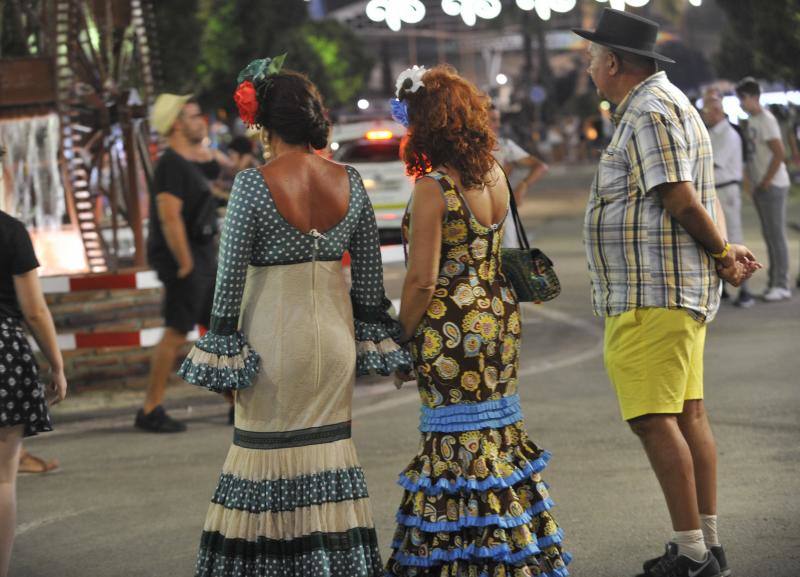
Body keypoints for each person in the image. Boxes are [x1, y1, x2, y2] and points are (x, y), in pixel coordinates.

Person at [178, 56, 411, 577]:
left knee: (262, 460)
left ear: (261, 123)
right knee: (329, 458)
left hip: (271, 341)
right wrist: (387, 344)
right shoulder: (349, 180)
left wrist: (221, 347)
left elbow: (229, 280)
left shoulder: (252, 185)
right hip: (335, 342)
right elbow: (371, 288)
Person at [575, 9, 761, 577]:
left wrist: (723, 252)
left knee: (655, 420)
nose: (588, 68)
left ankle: (695, 553)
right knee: (686, 414)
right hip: (662, 288)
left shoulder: (649, 112)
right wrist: (721, 251)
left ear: (612, 62)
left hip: (652, 291)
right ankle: (703, 544)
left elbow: (679, 197)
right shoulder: (661, 104)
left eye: (590, 59)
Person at [386, 65, 570, 577]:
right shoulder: (496, 173)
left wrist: (402, 337)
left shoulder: (434, 188)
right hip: (498, 314)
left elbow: (422, 280)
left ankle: (462, 561)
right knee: (498, 433)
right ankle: (515, 552)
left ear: (427, 125)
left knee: (453, 442)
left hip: (452, 325)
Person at [136, 94, 220, 433]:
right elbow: (168, 217)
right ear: (176, 124)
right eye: (193, 115)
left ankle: (234, 400)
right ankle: (150, 408)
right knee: (174, 334)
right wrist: (186, 265)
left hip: (202, 262)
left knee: (219, 331)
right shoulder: (171, 165)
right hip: (190, 265)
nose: (200, 120)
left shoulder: (187, 164)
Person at [0, 210, 67, 576]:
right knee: (2, 477)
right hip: (3, 353)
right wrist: (56, 365)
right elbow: (35, 311)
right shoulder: (10, 231)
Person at [736, 77, 793, 302]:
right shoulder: (753, 121)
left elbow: (779, 153)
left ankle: (782, 284)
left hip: (774, 185)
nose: (740, 103)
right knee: (769, 236)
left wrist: (767, 181)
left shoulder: (767, 120)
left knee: (776, 236)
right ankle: (773, 283)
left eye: (742, 98)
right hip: (762, 186)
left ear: (752, 97)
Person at [701, 88, 755, 308]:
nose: (704, 114)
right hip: (717, 190)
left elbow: (711, 163)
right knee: (719, 239)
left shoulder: (728, 134)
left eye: (706, 110)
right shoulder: (714, 132)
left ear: (717, 110)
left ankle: (746, 290)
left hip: (727, 189)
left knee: (733, 237)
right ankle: (726, 288)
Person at [489, 105, 549, 248]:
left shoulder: (504, 146)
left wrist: (522, 186)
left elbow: (540, 166)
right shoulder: (466, 147)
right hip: (473, 211)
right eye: (492, 120)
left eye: (498, 120)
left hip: (502, 209)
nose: (497, 124)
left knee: (509, 254)